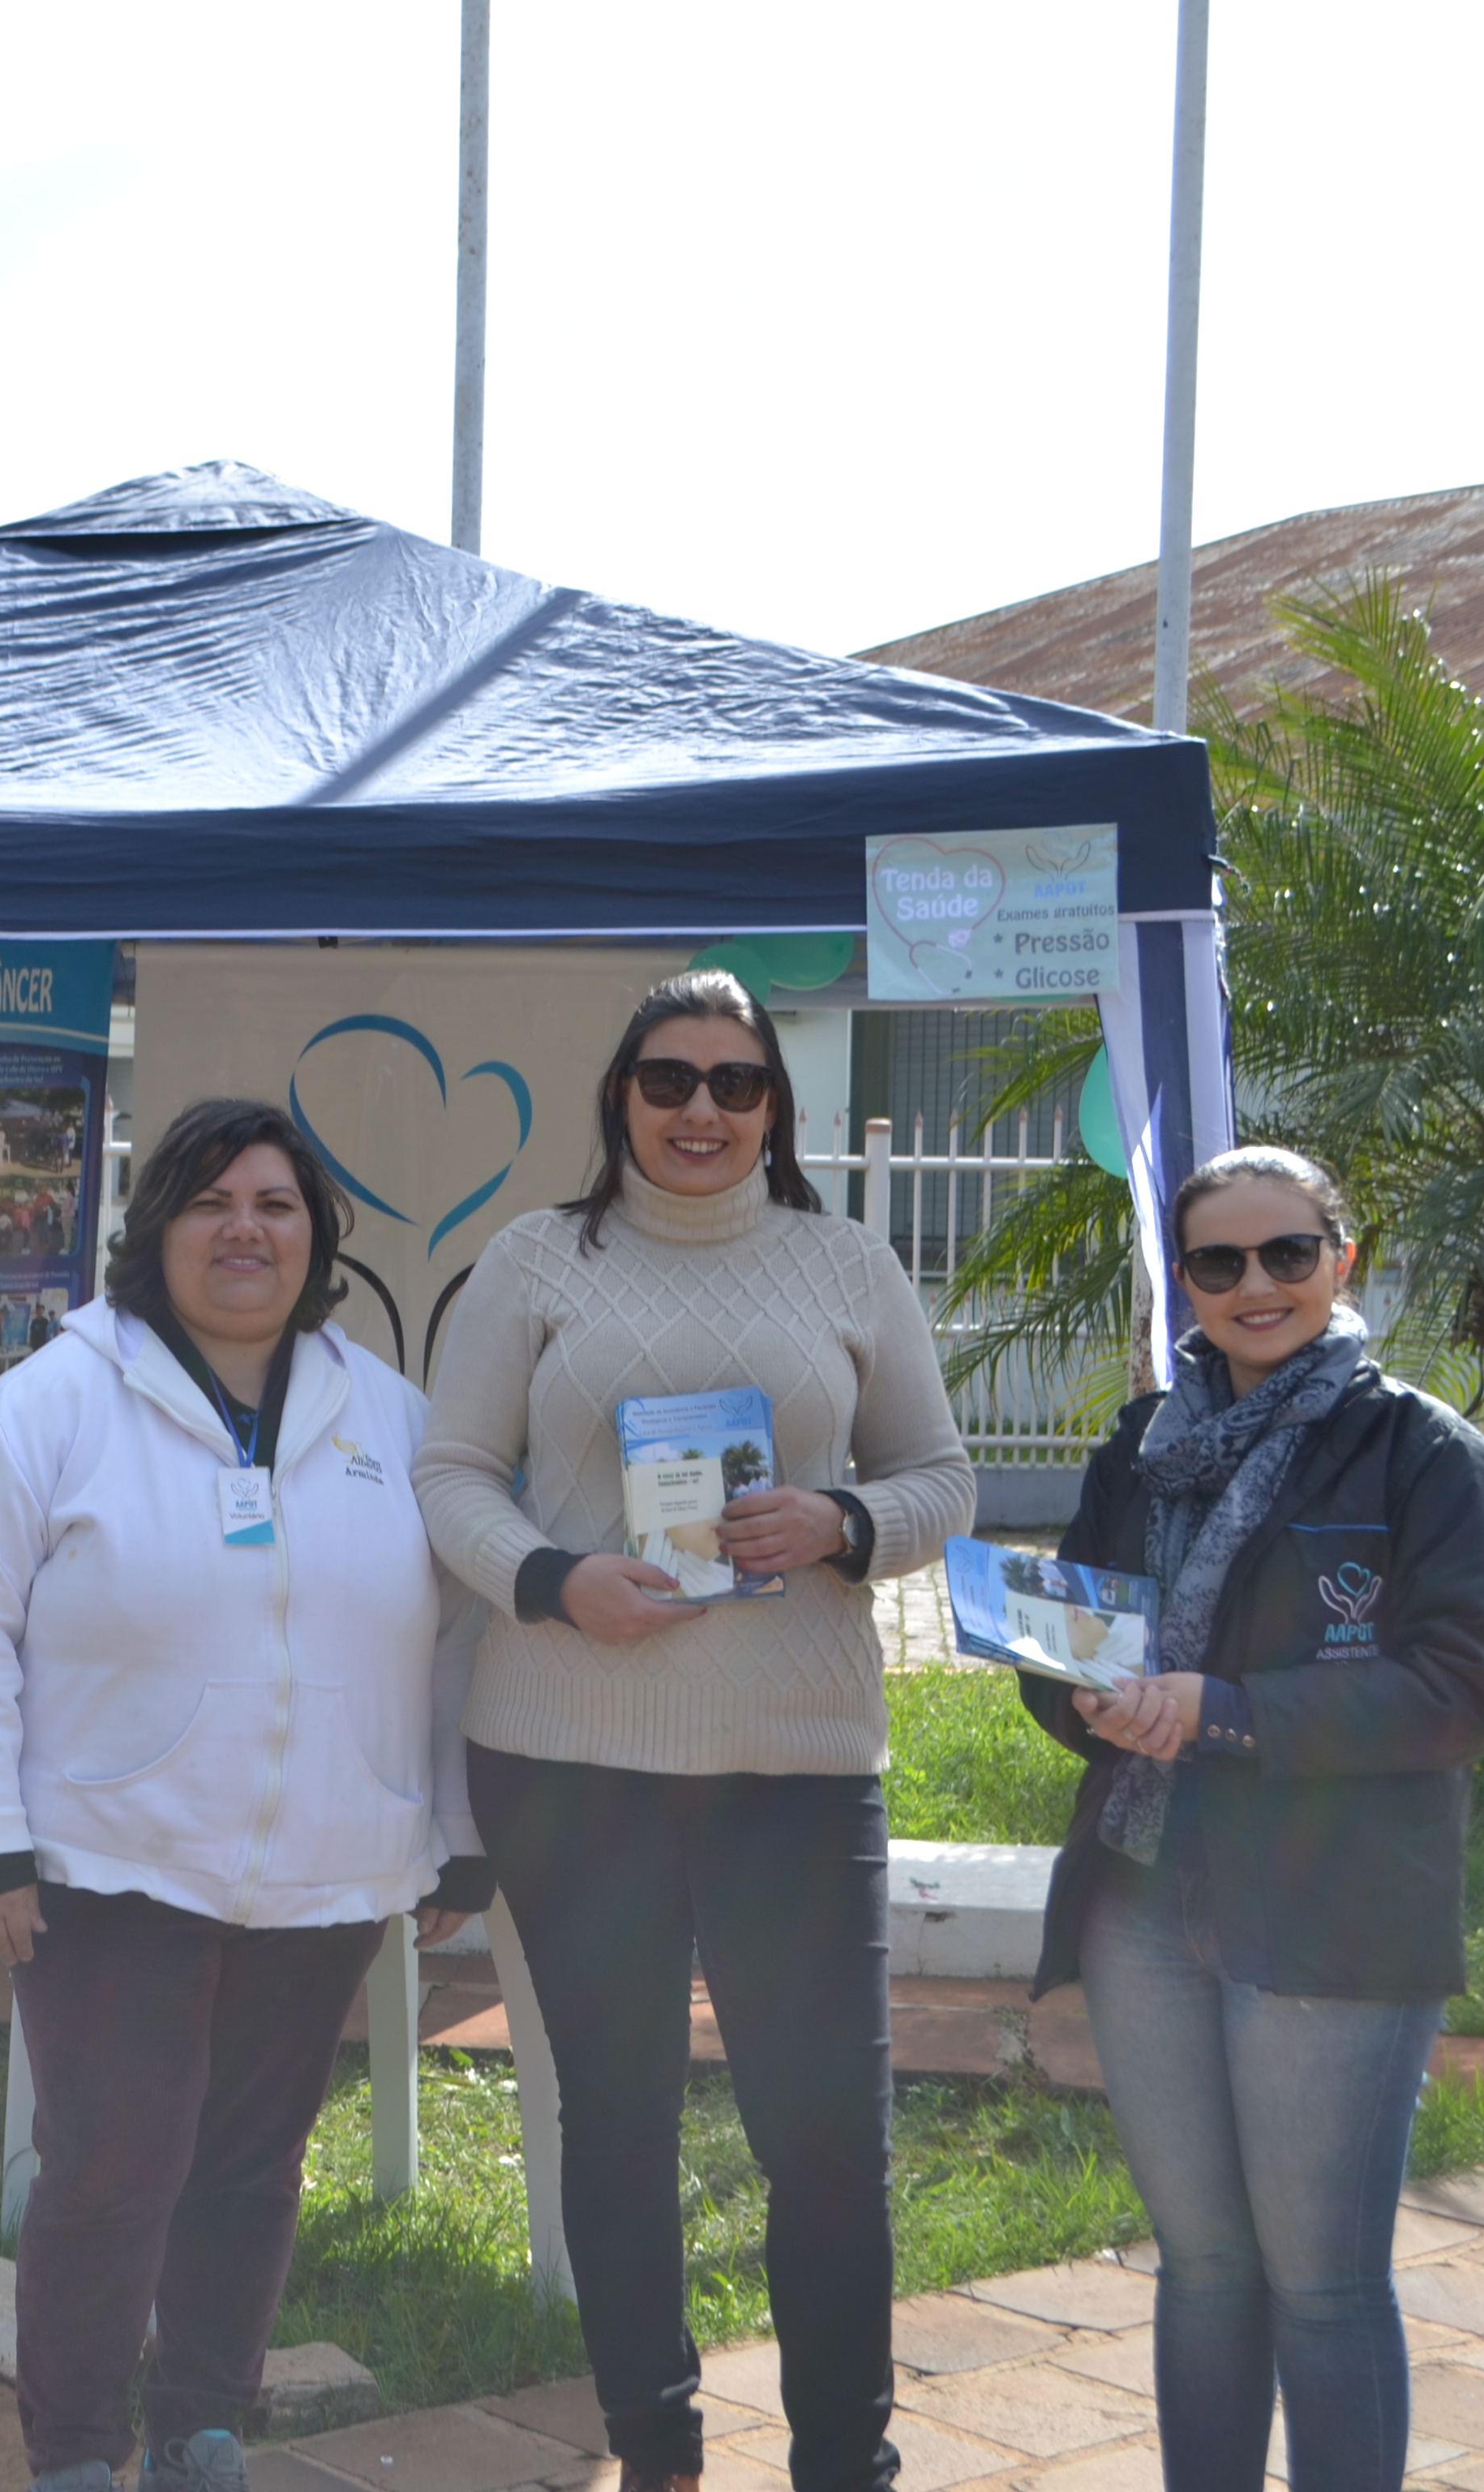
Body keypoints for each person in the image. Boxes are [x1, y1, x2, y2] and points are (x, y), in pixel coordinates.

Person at [415, 968, 975, 2492]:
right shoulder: (533, 1260)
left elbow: (942, 1480)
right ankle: (656, 2446)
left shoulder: (849, 1264)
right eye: (670, 1080)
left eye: (737, 1083)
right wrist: (553, 1579)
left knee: (827, 2138)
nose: (703, 1110)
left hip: (793, 1764)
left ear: (775, 1106)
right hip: (567, 1759)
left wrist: (841, 1520)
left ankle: (846, 2463)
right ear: (622, 1098)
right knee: (618, 2121)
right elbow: (450, 1471)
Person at [0, 1097, 491, 2492]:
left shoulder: (388, 1414)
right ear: (155, 1228)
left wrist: (455, 1834)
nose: (245, 1231)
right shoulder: (52, 1404)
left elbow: (458, 1641)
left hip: (327, 1865)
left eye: (276, 1206)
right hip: (110, 1862)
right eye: (211, 1203)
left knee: (251, 2166)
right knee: (113, 2171)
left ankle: (201, 2426)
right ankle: (74, 2452)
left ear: (317, 1240)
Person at [1019, 1146, 1484, 2492]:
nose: (1257, 1284)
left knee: (1323, 2286)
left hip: (1331, 1913)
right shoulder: (1141, 1448)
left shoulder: (1426, 1454)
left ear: (1340, 1261)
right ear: (1183, 1281)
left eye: (1288, 1252)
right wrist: (1088, 1699)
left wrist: (1228, 1712)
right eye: (1219, 1260)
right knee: (1204, 2266)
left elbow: (1464, 1690)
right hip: (1143, 1896)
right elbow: (1063, 1646)